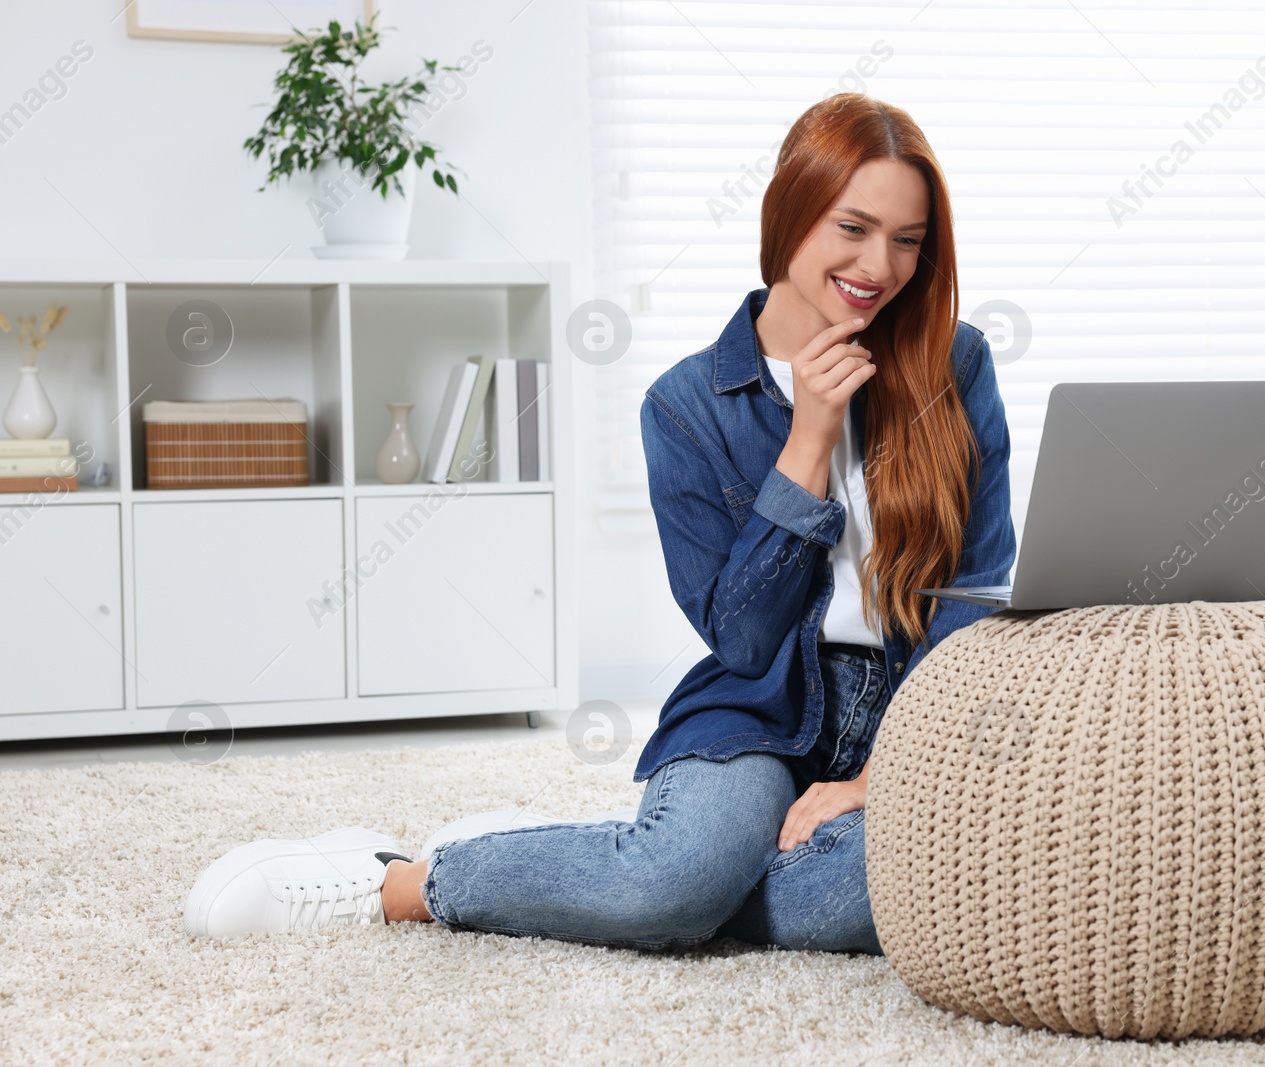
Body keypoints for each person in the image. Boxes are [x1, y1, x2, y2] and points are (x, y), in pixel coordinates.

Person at [182, 93, 1016, 953]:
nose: (881, 265)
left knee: (898, 887)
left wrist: (883, 776)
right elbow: (742, 637)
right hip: (760, 707)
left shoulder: (957, 363)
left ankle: (608, 868)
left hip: (919, 707)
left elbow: (977, 596)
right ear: (791, 213)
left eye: (909, 240)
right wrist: (806, 442)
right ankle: (404, 877)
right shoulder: (688, 406)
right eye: (854, 227)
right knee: (681, 886)